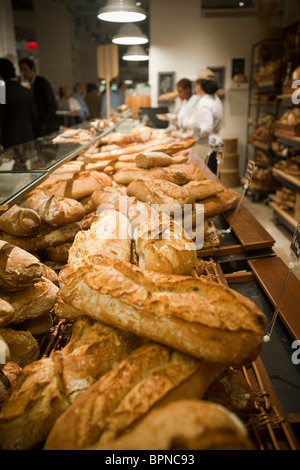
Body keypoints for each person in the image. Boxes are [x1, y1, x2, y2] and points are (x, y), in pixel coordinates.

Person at [0, 58, 36, 149]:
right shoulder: (26, 90)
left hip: (11, 140)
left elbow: (0, 116)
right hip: (28, 137)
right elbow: (34, 115)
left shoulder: (2, 91)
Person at [19, 58, 59, 137]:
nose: (23, 73)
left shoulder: (41, 82)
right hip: (38, 126)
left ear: (32, 69)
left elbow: (52, 104)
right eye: (21, 71)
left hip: (47, 126)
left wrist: (44, 123)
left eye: (25, 70)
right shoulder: (28, 85)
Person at [194, 68, 224, 174]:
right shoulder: (216, 99)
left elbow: (207, 127)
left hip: (206, 146)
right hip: (215, 143)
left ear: (200, 85)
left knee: (208, 177)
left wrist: (192, 136)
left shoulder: (204, 102)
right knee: (215, 175)